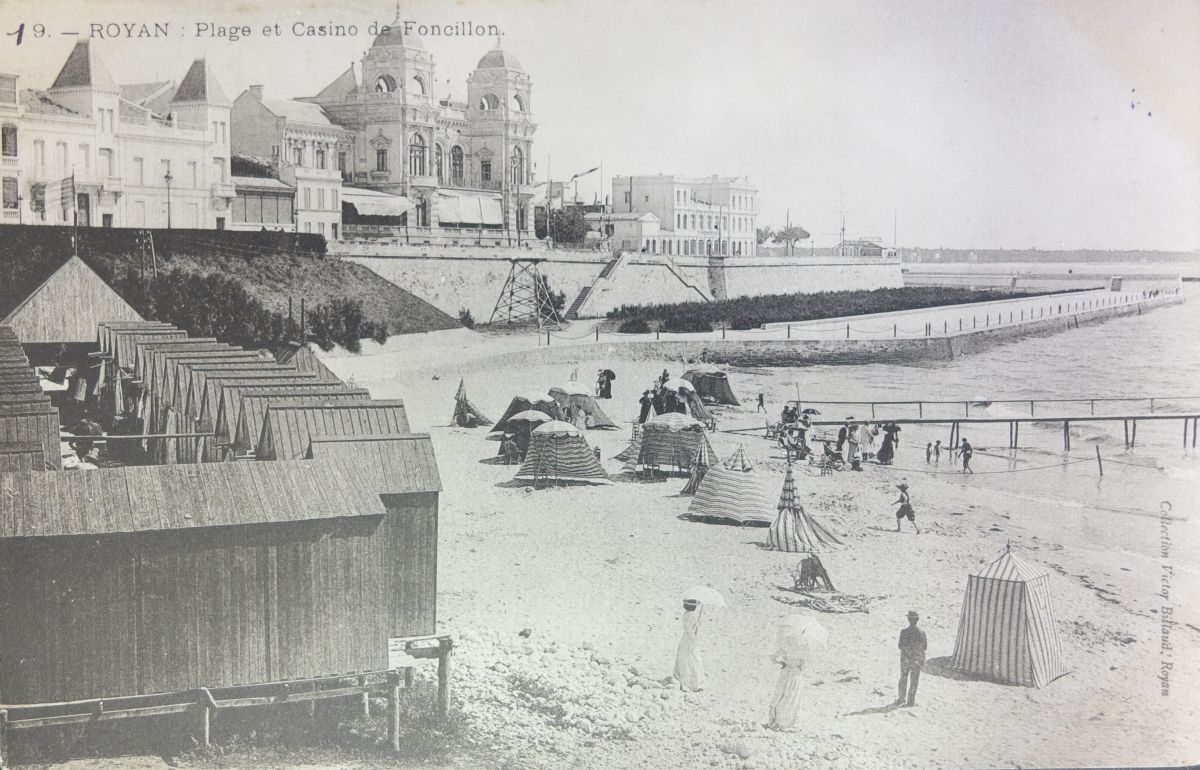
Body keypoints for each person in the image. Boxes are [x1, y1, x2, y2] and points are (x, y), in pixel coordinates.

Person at [896, 611, 927, 707]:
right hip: (917, 660)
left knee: (903, 678)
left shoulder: (904, 632)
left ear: (908, 619)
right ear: (917, 620)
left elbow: (900, 646)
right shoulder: (922, 632)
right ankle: (911, 701)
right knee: (914, 680)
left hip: (905, 659)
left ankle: (901, 699)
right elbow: (925, 647)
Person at [675, 598, 706, 691]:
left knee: (686, 658)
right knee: (692, 659)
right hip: (690, 639)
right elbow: (691, 630)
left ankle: (684, 680)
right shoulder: (691, 616)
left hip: (686, 639)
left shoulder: (686, 615)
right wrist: (697, 625)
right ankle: (693, 683)